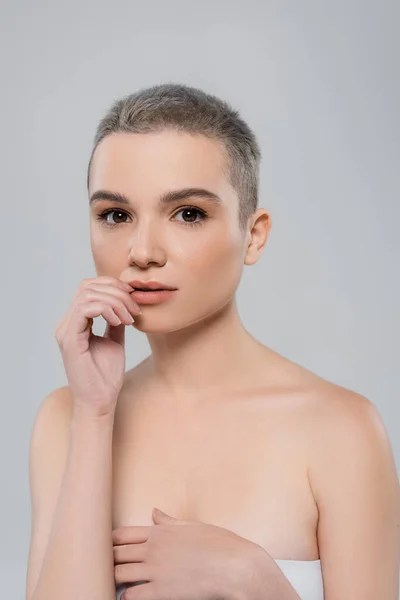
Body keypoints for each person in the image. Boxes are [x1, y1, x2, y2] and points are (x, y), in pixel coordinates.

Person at [26, 83, 399, 600]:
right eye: (116, 215)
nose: (142, 251)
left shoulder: (342, 430)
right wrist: (94, 416)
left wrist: (254, 581)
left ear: (254, 235)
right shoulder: (65, 420)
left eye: (188, 214)